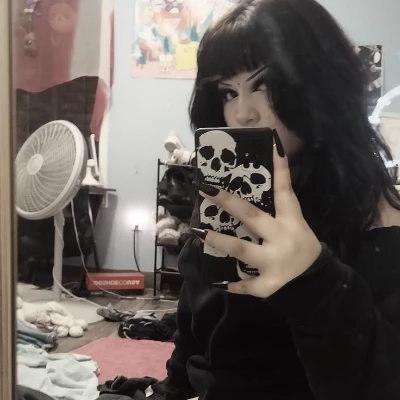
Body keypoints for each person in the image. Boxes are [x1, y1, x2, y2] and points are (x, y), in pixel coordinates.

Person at [165, 0, 400, 399]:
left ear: (320, 85)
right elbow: (190, 356)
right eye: (227, 93)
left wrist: (314, 281)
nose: (243, 114)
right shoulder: (226, 210)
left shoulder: (380, 227)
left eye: (263, 84)